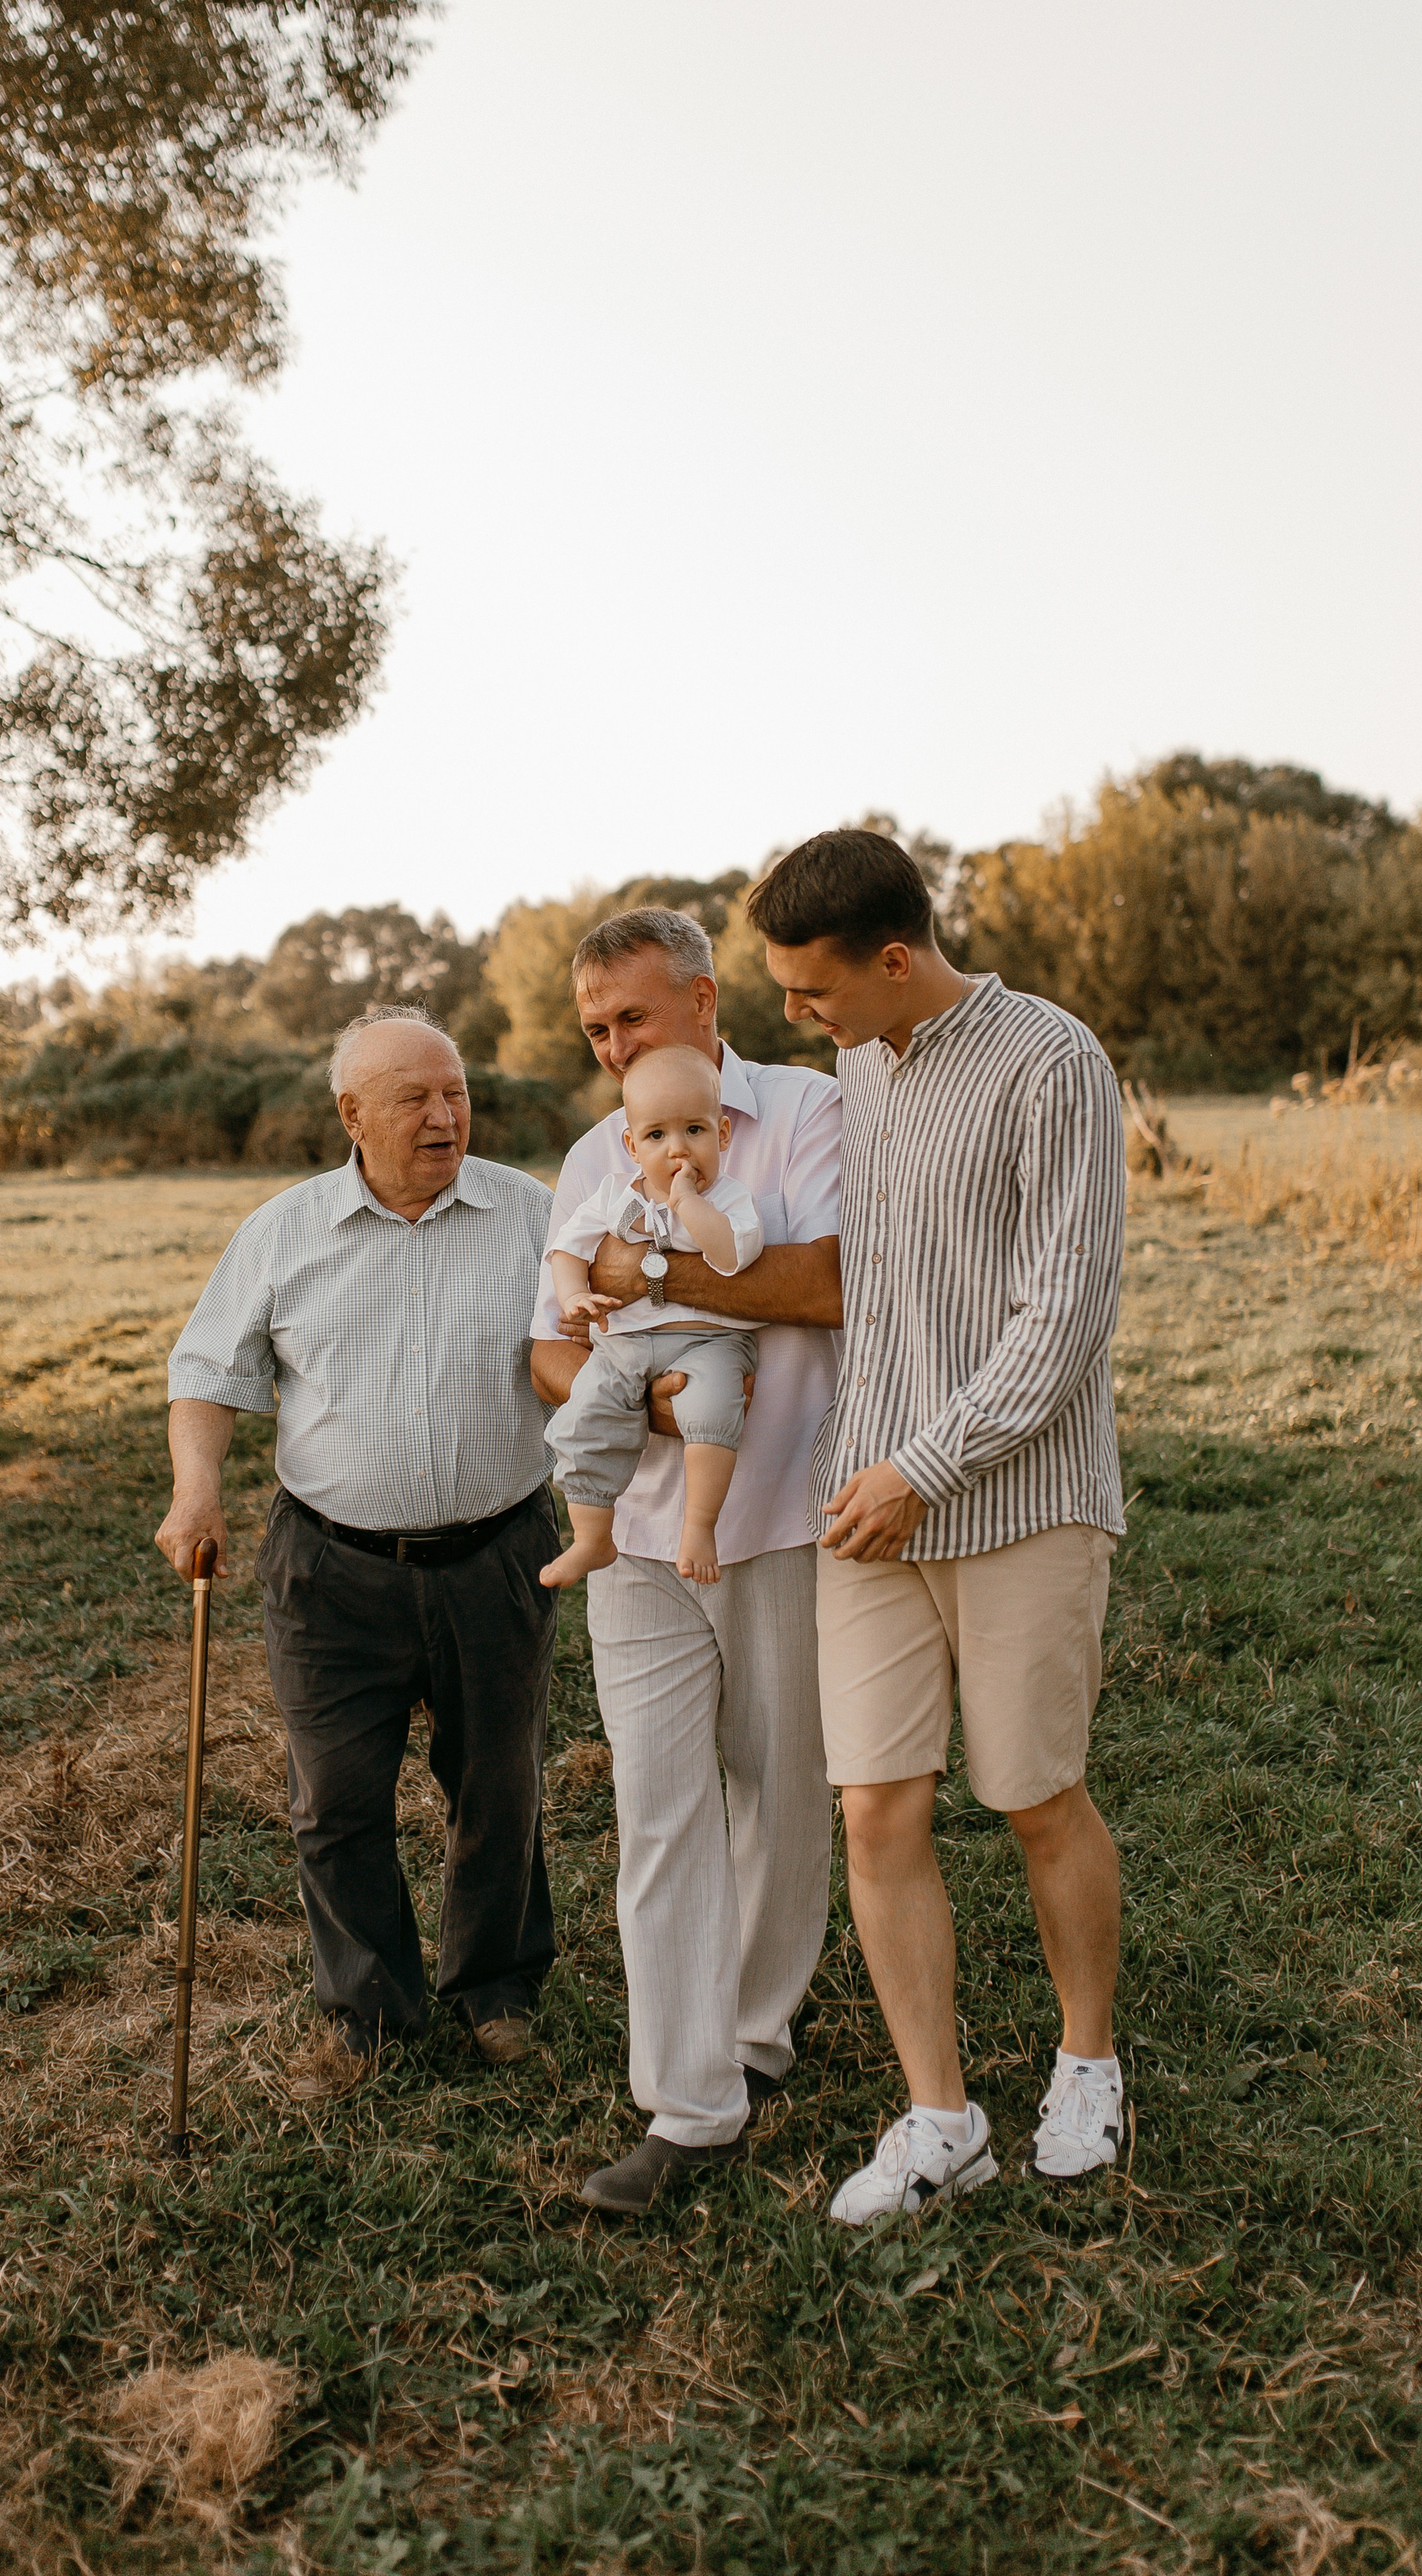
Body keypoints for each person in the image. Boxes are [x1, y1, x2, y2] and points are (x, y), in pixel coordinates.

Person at [747, 829, 1126, 2221]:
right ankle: (939, 2117)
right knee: (875, 1808)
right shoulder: (857, 1067)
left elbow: (1063, 1317)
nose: (797, 1013)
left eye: (812, 988)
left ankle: (1086, 2064)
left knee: (1032, 1797)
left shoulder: (1052, 1063)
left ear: (895, 958)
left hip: (1018, 1499)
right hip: (869, 1508)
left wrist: (922, 1466)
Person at [155, 1006, 560, 2075]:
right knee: (334, 1802)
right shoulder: (284, 1231)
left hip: (499, 1553)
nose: (444, 1117)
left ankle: (496, 1989)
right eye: (414, 1098)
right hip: (330, 1569)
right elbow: (207, 1371)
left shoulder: (531, 1213)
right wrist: (196, 1489)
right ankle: (371, 2015)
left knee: (500, 1788)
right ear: (352, 1115)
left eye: (456, 1093)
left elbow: (592, 1352)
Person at [529, 907, 842, 2215]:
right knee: (659, 1802)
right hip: (637, 1533)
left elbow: (824, 1284)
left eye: (633, 1018)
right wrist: (646, 1402)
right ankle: (689, 2104)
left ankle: (757, 2032)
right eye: (595, 1029)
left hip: (784, 1514)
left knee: (781, 1788)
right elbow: (551, 1348)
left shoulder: (811, 1112)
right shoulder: (595, 1150)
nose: (612, 1048)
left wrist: (644, 1262)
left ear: (706, 1002)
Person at [543, 1044, 764, 1589]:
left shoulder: (731, 1200)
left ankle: (699, 1527)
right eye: (657, 1135)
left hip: (710, 1341)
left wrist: (688, 1203)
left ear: (723, 1135)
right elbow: (568, 1249)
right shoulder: (612, 1196)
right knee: (589, 1415)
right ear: (632, 1146)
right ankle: (592, 1539)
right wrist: (574, 1296)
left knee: (712, 1410)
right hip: (623, 1343)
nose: (678, 1149)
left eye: (695, 1130)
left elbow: (730, 1256)